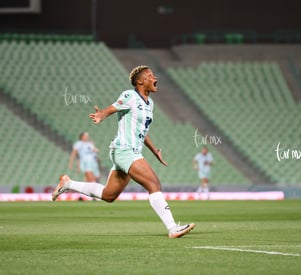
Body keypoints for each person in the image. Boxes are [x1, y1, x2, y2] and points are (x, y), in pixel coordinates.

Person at [52, 65, 195, 238]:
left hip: (130, 151)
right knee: (154, 184)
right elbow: (111, 109)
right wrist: (101, 115)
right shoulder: (130, 96)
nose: (154, 77)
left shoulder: (150, 104)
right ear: (140, 81)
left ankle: (68, 184)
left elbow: (142, 130)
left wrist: (154, 150)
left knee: (108, 195)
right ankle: (172, 228)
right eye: (150, 75)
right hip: (124, 150)